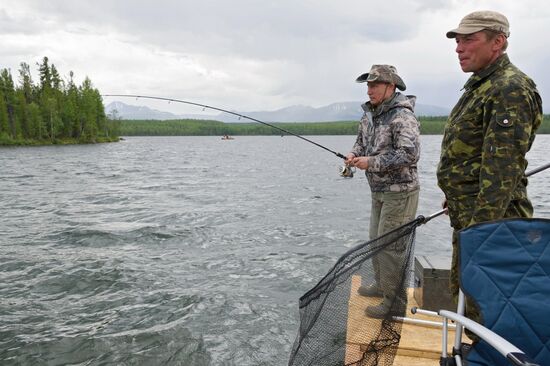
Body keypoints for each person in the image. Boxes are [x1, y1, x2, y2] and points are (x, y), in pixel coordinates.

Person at [437, 10, 543, 330]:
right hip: (472, 217)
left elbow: (501, 172)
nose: (459, 48)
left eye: (469, 40)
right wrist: (456, 195)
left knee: (492, 310)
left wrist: (479, 235)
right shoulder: (482, 85)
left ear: (498, 42)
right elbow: (476, 156)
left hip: (491, 227)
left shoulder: (509, 88)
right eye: (458, 41)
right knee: (472, 305)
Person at [345, 64, 420, 318]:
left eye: (374, 85)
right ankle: (381, 286)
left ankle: (395, 303)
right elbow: (360, 141)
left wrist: (371, 163)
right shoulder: (369, 115)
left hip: (400, 193)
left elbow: (409, 154)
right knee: (377, 241)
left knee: (392, 247)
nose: (369, 90)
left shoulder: (403, 116)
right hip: (378, 191)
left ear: (391, 86)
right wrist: (355, 154)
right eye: (367, 85)